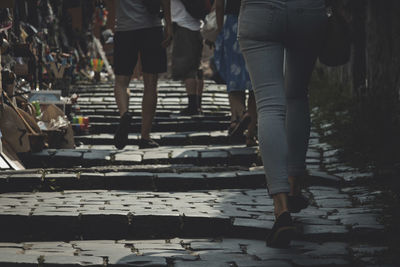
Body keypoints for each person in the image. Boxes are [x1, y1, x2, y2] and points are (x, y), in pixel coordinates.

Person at [238, 0, 327, 247]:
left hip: (260, 10)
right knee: (297, 95)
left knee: (269, 106)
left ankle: (281, 208)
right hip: (307, 12)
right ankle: (294, 182)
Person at [113, 0, 172, 150]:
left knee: (121, 80)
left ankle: (124, 114)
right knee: (151, 84)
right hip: (152, 28)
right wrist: (169, 25)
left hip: (124, 29)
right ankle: (145, 137)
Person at [214, 0, 257, 146]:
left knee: (233, 78)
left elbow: (219, 6)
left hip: (232, 25)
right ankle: (250, 136)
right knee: (254, 84)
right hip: (255, 22)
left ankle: (240, 113)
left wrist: (220, 30)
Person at [171, 0, 204, 116]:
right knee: (196, 67)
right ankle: (197, 105)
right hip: (195, 26)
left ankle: (193, 107)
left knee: (188, 69)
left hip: (184, 25)